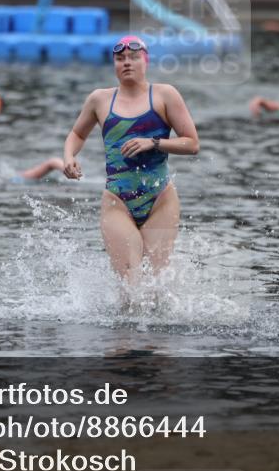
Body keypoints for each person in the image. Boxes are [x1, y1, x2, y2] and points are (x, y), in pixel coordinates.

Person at [62, 35, 199, 289]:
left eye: (134, 57)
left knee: (156, 288)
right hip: (117, 201)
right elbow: (77, 134)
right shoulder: (99, 100)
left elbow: (192, 143)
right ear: (114, 64)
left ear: (146, 62)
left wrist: (154, 142)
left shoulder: (165, 95)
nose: (127, 63)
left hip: (160, 201)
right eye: (120, 58)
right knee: (130, 289)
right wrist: (69, 157)